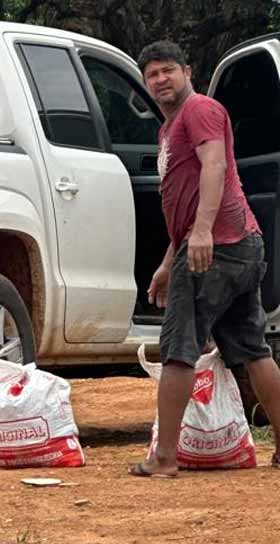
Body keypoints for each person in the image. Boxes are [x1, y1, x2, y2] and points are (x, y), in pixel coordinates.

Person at [131, 41, 280, 478]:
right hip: (236, 245)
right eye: (152, 74)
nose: (161, 79)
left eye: (168, 70)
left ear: (187, 71)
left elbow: (215, 167)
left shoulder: (200, 110)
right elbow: (183, 201)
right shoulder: (169, 129)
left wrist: (201, 233)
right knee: (254, 349)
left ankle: (164, 458)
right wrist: (168, 261)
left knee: (179, 349)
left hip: (217, 247)